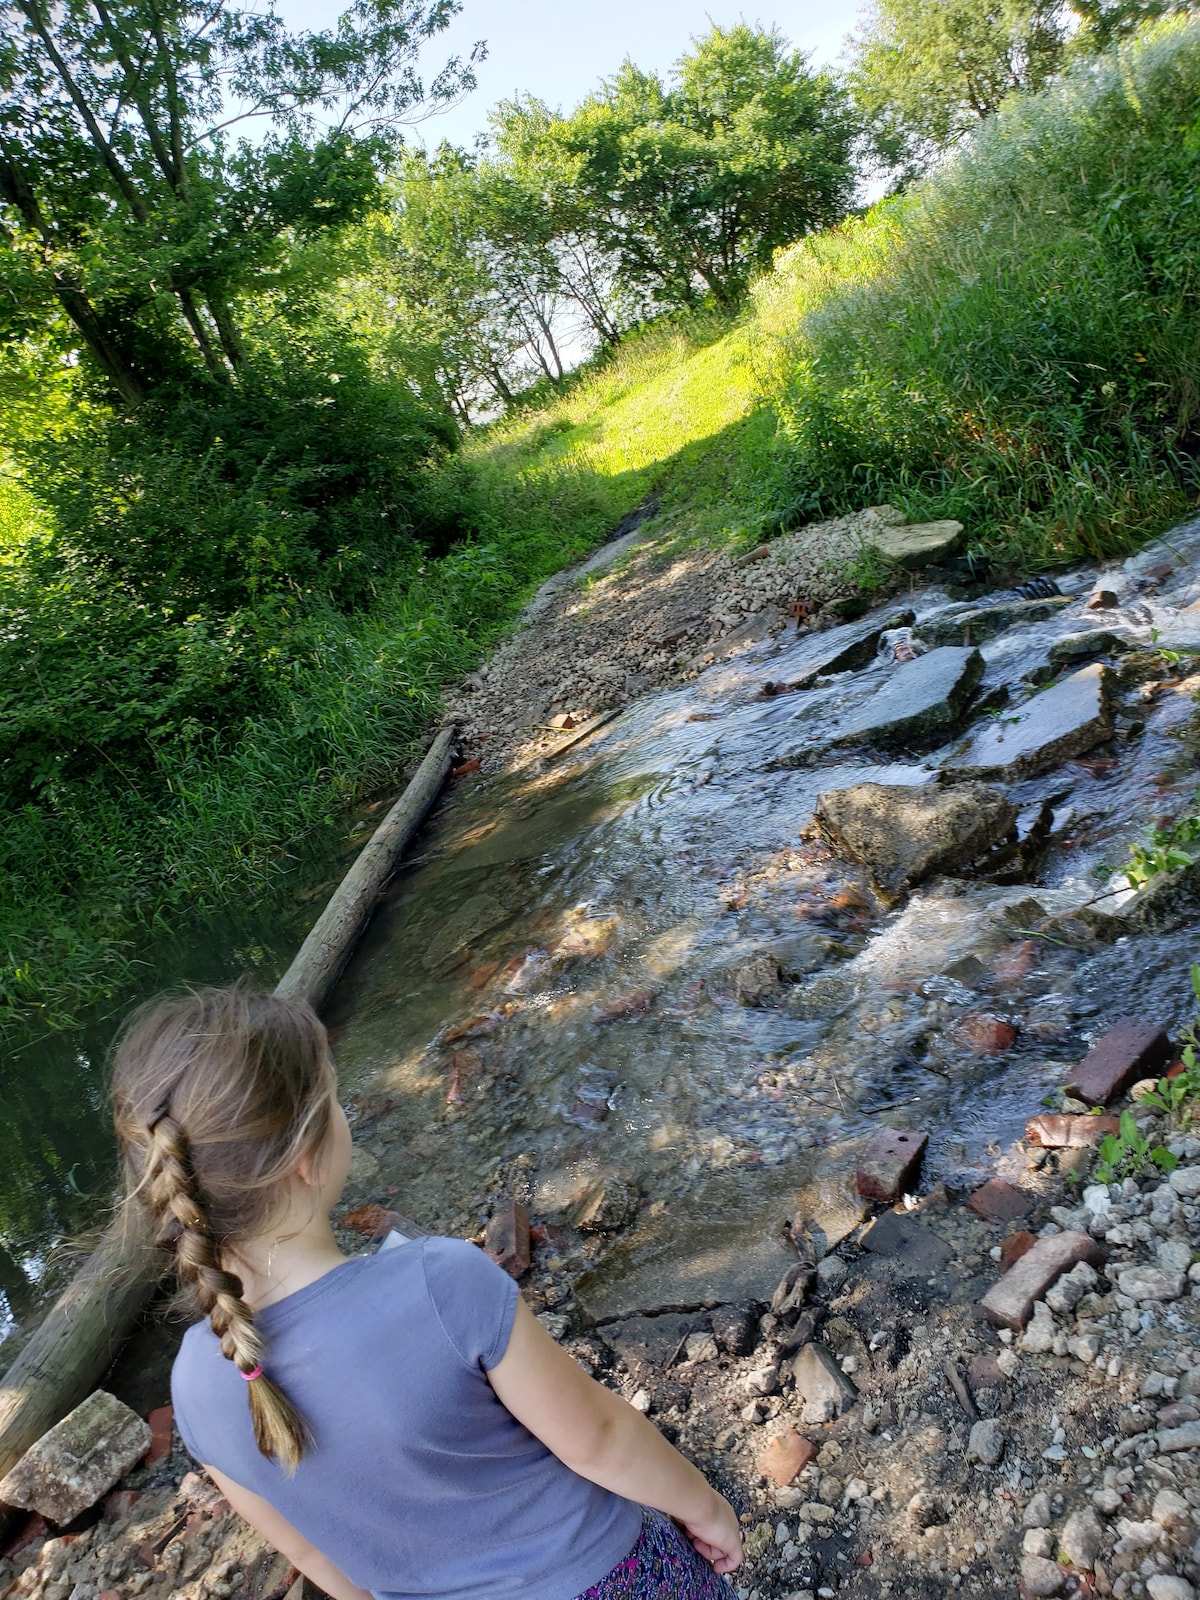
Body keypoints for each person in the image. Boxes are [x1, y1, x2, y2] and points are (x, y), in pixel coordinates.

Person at [110, 985, 743, 1600]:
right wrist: (706, 1507)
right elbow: (598, 1440)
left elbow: (308, 1553)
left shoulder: (194, 1381)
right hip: (605, 1578)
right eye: (333, 1099)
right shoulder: (439, 1281)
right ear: (305, 1156)